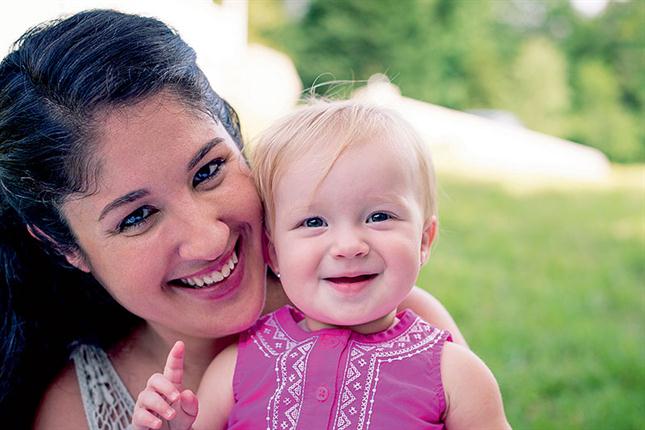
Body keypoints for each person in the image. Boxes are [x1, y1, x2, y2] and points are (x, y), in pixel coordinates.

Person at [0, 10, 466, 429]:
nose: (208, 239)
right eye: (137, 216)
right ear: (63, 244)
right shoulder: (77, 409)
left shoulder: (405, 320)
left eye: (208, 170)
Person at [131, 101, 510, 429]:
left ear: (424, 240)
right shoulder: (236, 368)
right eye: (314, 223)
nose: (348, 246)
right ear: (274, 253)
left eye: (378, 216)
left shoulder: (456, 375)